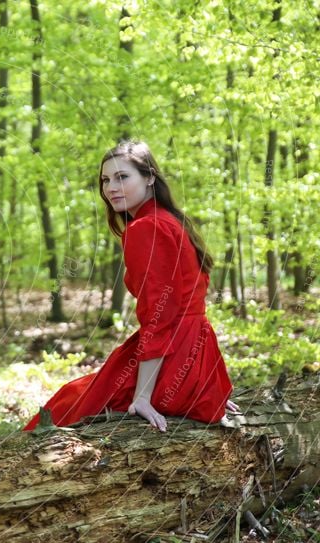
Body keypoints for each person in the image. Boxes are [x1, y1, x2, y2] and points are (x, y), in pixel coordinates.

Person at [23, 140, 236, 433]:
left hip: (175, 359)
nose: (110, 187)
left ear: (149, 177)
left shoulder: (146, 228)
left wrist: (142, 396)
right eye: (105, 180)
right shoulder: (171, 221)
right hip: (195, 356)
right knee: (78, 394)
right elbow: (191, 304)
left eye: (122, 177)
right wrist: (210, 382)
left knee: (69, 405)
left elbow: (160, 315)